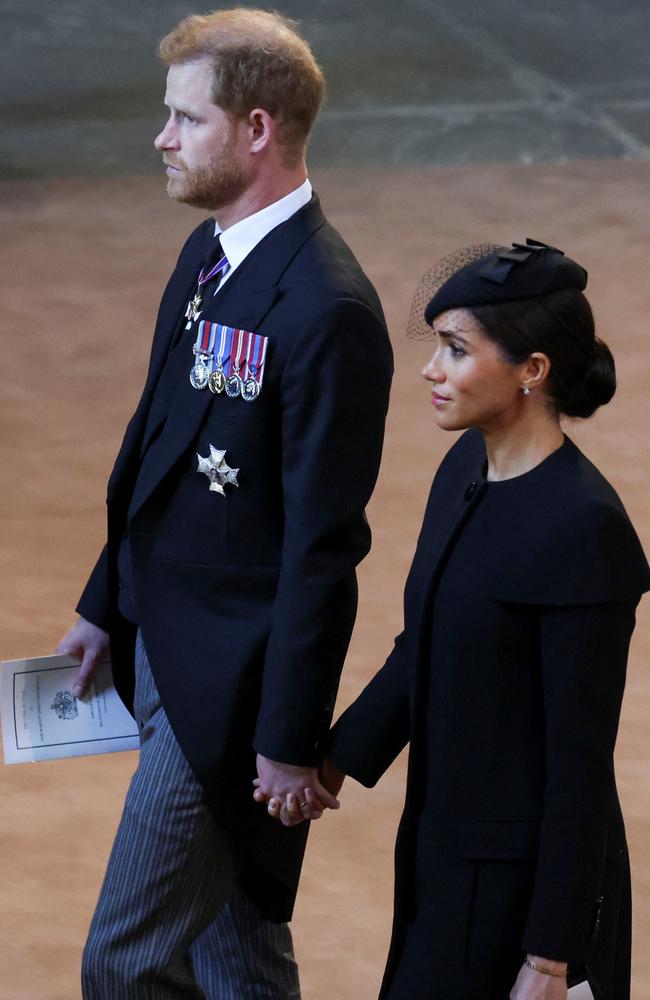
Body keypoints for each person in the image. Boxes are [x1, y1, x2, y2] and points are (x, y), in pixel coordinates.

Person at [56, 9, 393, 998]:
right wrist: (104, 598)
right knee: (233, 949)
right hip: (162, 640)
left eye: (182, 119)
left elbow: (322, 548)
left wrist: (288, 738)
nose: (161, 138)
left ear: (254, 129)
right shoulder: (209, 259)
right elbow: (154, 452)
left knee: (122, 960)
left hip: (232, 693)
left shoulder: (325, 309)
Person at [299, 240, 648, 998]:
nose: (432, 370)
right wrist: (334, 762)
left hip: (523, 899)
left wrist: (552, 958)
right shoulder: (465, 470)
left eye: (456, 351)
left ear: (533, 370)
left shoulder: (584, 531)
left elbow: (578, 763)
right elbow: (423, 645)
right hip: (443, 858)